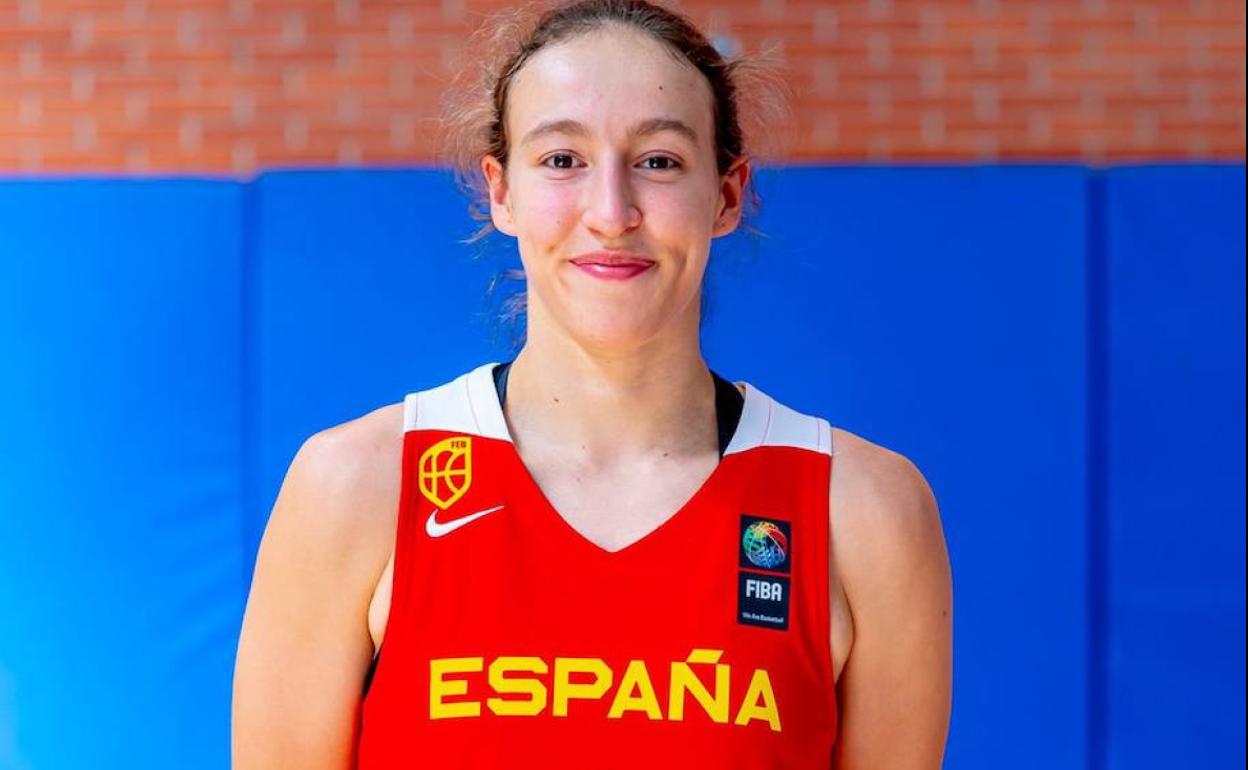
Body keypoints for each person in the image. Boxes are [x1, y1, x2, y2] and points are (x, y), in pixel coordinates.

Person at [232, 1, 952, 768]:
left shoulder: (863, 510)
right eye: (562, 160)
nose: (612, 213)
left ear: (728, 193)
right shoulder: (358, 487)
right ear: (501, 191)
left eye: (660, 160)